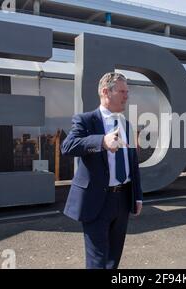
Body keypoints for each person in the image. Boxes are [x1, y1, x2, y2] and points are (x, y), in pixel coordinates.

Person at [61, 72, 143, 269]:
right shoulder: (86, 120)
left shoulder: (127, 125)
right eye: (122, 91)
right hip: (96, 201)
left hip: (122, 200)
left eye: (127, 91)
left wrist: (137, 196)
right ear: (106, 92)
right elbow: (67, 146)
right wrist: (101, 141)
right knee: (97, 262)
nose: (126, 96)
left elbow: (133, 163)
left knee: (113, 259)